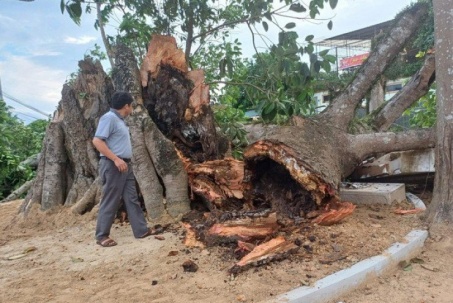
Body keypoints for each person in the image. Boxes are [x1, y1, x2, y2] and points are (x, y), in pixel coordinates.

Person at [92, 91, 152, 247]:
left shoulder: (120, 120)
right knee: (110, 199)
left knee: (132, 198)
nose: (131, 109)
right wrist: (116, 159)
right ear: (127, 106)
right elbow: (97, 141)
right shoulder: (109, 118)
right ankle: (102, 236)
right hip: (113, 165)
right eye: (131, 106)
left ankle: (141, 230)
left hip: (125, 165)